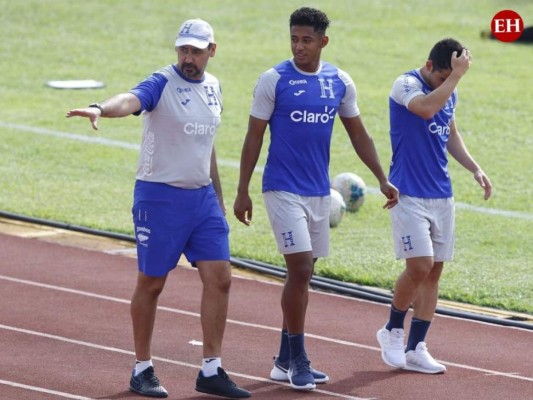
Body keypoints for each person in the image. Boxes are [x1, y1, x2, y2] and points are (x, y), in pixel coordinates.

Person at [66, 18, 251, 399]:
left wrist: (216, 194)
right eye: (183, 49)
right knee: (152, 283)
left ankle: (211, 369)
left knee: (221, 279)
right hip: (159, 198)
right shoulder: (162, 82)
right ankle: (142, 368)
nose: (188, 57)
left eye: (196, 51)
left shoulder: (214, 87)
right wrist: (101, 107)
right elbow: (131, 99)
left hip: (202, 200)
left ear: (211, 51)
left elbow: (207, 144)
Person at [233, 7, 399, 391]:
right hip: (281, 188)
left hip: (318, 193)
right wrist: (242, 190)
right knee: (302, 270)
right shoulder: (273, 80)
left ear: (323, 41)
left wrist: (381, 178)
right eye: (293, 38)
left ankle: (282, 360)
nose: (298, 46)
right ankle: (300, 360)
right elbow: (254, 136)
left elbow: (359, 134)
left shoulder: (339, 81)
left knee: (304, 274)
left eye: (307, 39)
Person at [376, 38, 492, 374]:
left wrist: (474, 167)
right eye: (442, 77)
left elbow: (449, 132)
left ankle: (416, 348)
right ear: (429, 66)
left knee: (435, 272)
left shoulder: (448, 89)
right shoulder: (406, 84)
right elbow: (426, 108)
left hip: (441, 193)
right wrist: (455, 78)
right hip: (407, 192)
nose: (446, 83)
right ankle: (392, 329)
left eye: (449, 79)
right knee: (419, 266)